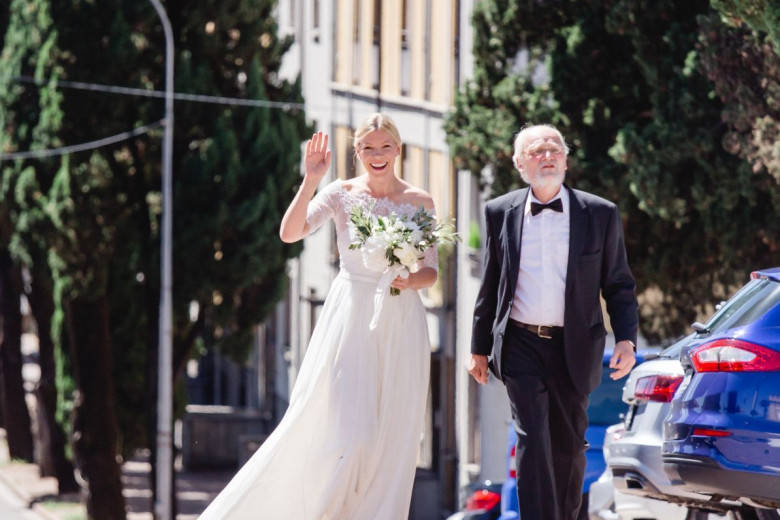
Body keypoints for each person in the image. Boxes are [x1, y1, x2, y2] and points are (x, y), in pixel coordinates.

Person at [198, 113, 438, 520]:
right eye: (368, 147)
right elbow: (290, 233)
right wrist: (310, 179)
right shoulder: (341, 193)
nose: (377, 154)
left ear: (398, 149)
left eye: (384, 146)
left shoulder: (421, 201)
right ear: (357, 152)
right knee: (354, 436)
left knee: (394, 440)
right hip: (352, 316)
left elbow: (430, 270)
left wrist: (408, 280)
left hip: (402, 319)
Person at [468, 124, 638, 520]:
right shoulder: (500, 211)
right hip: (519, 343)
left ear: (565, 160)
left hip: (574, 345)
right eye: (537, 150)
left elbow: (618, 283)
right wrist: (478, 347)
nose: (547, 156)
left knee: (568, 446)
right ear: (519, 163)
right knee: (531, 437)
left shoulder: (599, 213)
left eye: (554, 149)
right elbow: (491, 283)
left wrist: (626, 339)